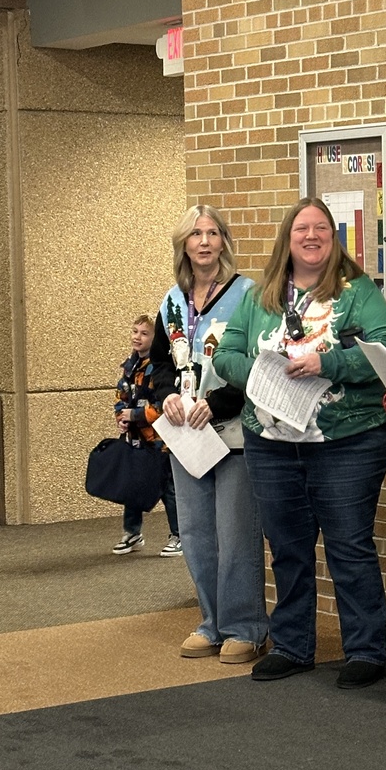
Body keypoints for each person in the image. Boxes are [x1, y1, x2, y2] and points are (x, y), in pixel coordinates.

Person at [213, 196, 386, 689]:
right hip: (271, 443)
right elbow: (227, 353)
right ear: (288, 239)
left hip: (345, 441)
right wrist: (260, 370)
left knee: (348, 545)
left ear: (333, 238)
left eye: (321, 228)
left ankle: (365, 650)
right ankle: (293, 646)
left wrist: (328, 364)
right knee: (288, 548)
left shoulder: (357, 291)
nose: (312, 236)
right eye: (302, 229)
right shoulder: (262, 296)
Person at [150, 205, 268, 664]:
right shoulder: (172, 301)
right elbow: (160, 363)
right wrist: (167, 398)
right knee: (197, 533)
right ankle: (211, 623)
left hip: (232, 432)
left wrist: (216, 403)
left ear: (224, 241)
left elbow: (259, 363)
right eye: (195, 234)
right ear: (184, 244)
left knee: (236, 533)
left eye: (212, 233)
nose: (203, 241)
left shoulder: (249, 295)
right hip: (186, 435)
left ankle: (246, 628)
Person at [112, 313, 181, 557]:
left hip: (158, 441)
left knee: (167, 489)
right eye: (134, 332)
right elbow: (121, 397)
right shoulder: (129, 365)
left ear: (155, 338)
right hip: (134, 439)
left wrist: (136, 415)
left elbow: (162, 407)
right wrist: (122, 418)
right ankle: (132, 533)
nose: (137, 337)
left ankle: (178, 534)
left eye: (144, 333)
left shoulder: (159, 368)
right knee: (133, 485)